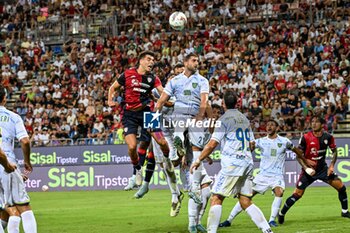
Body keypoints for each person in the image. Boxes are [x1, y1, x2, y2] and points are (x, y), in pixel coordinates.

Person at [190, 90, 273, 233]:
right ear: (237, 103)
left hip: (232, 165)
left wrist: (198, 159)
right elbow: (252, 144)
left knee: (216, 198)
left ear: (223, 104)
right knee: (245, 201)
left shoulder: (223, 120)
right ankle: (267, 230)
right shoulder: (244, 119)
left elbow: (212, 144)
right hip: (247, 163)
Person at [219, 119, 306, 228]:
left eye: (272, 125)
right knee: (246, 197)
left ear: (277, 128)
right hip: (262, 176)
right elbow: (249, 150)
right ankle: (229, 220)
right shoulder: (261, 141)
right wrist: (247, 149)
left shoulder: (284, 141)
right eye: (267, 125)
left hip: (277, 176)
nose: (269, 127)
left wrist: (305, 160)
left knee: (279, 192)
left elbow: (296, 150)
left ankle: (272, 220)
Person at [108, 51, 174, 188]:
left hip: (148, 112)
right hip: (129, 115)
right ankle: (137, 169)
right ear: (141, 61)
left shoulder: (153, 78)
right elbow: (112, 88)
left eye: (153, 60)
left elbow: (162, 91)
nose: (152, 62)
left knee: (162, 142)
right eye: (149, 59)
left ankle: (167, 160)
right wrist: (110, 100)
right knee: (132, 147)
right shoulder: (127, 74)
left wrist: (171, 99)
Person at [155, 53, 210, 204]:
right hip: (179, 116)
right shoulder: (175, 81)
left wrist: (200, 115)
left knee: (192, 158)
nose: (197, 62)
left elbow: (204, 100)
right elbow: (161, 100)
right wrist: (155, 114)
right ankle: (178, 147)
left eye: (198, 60)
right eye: (194, 60)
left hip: (194, 117)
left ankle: (192, 189)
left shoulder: (202, 80)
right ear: (185, 62)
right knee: (179, 128)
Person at [278, 115, 350, 224]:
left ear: (322, 124)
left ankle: (344, 211)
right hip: (308, 172)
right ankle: (281, 214)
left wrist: (331, 166)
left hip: (322, 170)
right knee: (297, 194)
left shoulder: (328, 137)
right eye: (312, 122)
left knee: (341, 187)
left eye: (316, 122)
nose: (313, 124)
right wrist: (306, 166)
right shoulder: (306, 137)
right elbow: (298, 156)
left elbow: (334, 151)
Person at [0, 85, 37, 233]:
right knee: (23, 207)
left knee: (5, 210)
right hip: (6, 163)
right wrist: (26, 162)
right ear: (4, 98)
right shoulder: (13, 117)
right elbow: (25, 141)